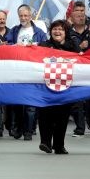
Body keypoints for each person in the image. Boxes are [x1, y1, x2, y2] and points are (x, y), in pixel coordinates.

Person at [4, 4, 47, 140]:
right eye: (21, 15)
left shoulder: (39, 32)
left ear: (30, 16)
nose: (23, 18)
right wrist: (15, 46)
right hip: (18, 70)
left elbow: (45, 48)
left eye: (26, 15)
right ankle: (18, 128)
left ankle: (28, 131)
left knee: (31, 104)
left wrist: (36, 47)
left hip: (33, 70)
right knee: (18, 101)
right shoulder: (15, 30)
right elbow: (7, 44)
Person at [37, 20, 79, 155]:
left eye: (61, 29)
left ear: (66, 32)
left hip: (65, 87)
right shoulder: (43, 45)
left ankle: (59, 145)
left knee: (62, 116)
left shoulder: (73, 47)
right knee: (45, 114)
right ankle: (45, 142)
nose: (57, 32)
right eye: (55, 29)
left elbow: (81, 60)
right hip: (46, 87)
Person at [68, 1, 90, 136]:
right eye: (78, 11)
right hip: (75, 69)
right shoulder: (68, 30)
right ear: (72, 14)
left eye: (83, 11)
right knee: (76, 99)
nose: (81, 14)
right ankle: (80, 127)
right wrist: (79, 48)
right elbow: (65, 46)